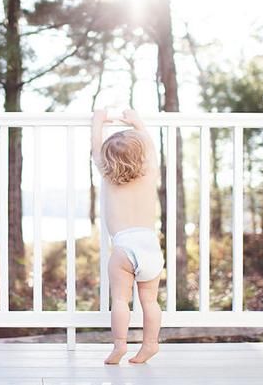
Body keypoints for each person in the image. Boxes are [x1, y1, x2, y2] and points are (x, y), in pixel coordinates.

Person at [91, 108, 164, 365]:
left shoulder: (108, 176)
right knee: (150, 301)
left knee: (121, 300)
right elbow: (151, 149)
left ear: (109, 161)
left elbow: (96, 149)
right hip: (150, 246)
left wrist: (98, 121)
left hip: (124, 248)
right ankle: (150, 344)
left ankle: (119, 345)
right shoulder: (149, 174)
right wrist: (137, 123)